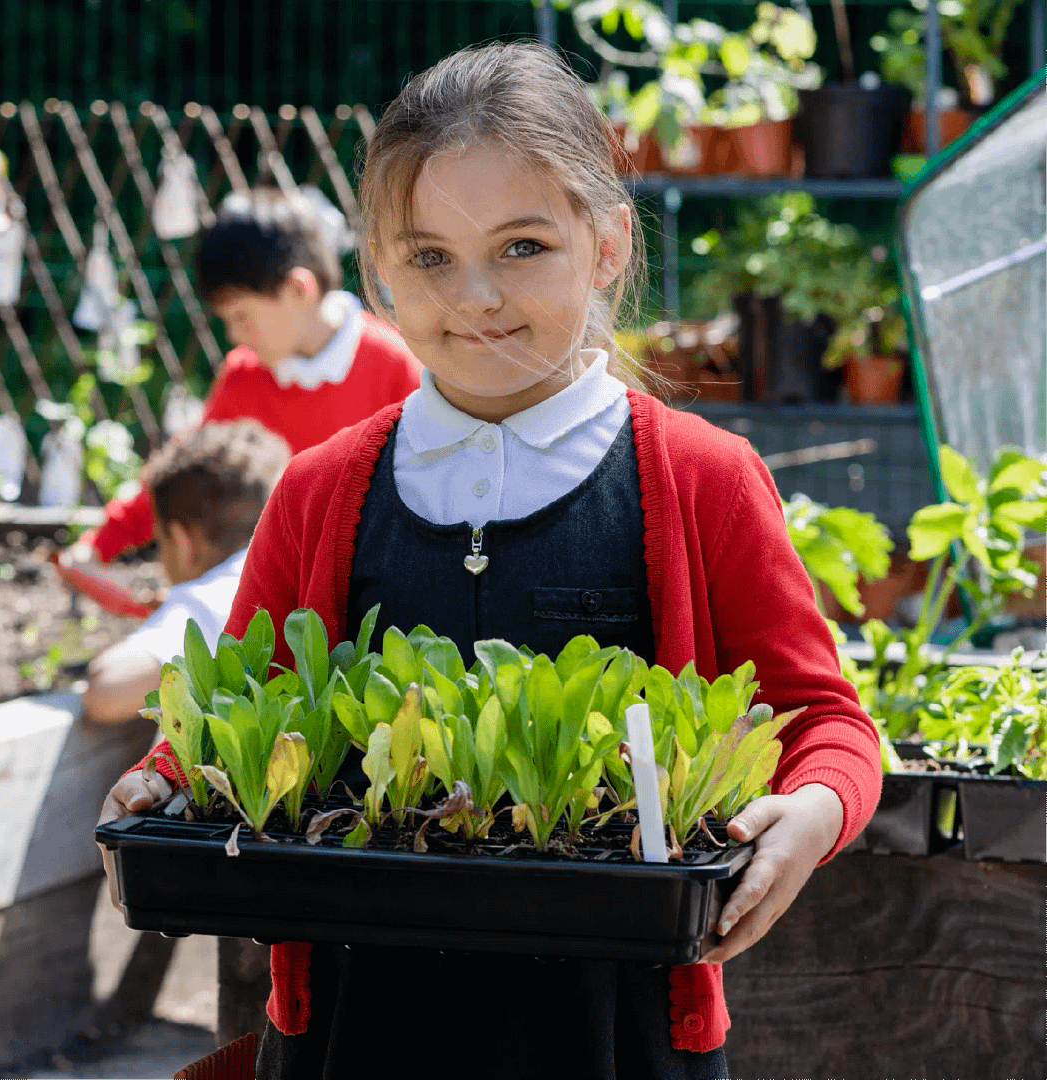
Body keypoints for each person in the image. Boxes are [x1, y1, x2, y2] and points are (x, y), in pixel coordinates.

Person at [98, 43, 882, 1080]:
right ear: (378, 269)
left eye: (522, 247)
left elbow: (827, 720)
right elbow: (241, 711)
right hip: (352, 1025)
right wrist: (163, 783)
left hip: (612, 1032)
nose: (474, 297)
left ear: (605, 246)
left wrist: (816, 810)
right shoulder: (321, 488)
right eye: (428, 257)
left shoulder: (701, 479)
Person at [60, 187, 421, 587]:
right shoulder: (244, 376)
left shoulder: (397, 365)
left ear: (298, 290)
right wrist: (98, 547)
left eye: (242, 316)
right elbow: (188, 473)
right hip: (279, 583)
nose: (233, 333)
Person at [82, 420, 290, 724]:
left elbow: (108, 692)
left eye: (160, 542)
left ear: (182, 542)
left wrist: (181, 609)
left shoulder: (215, 596)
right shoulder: (290, 566)